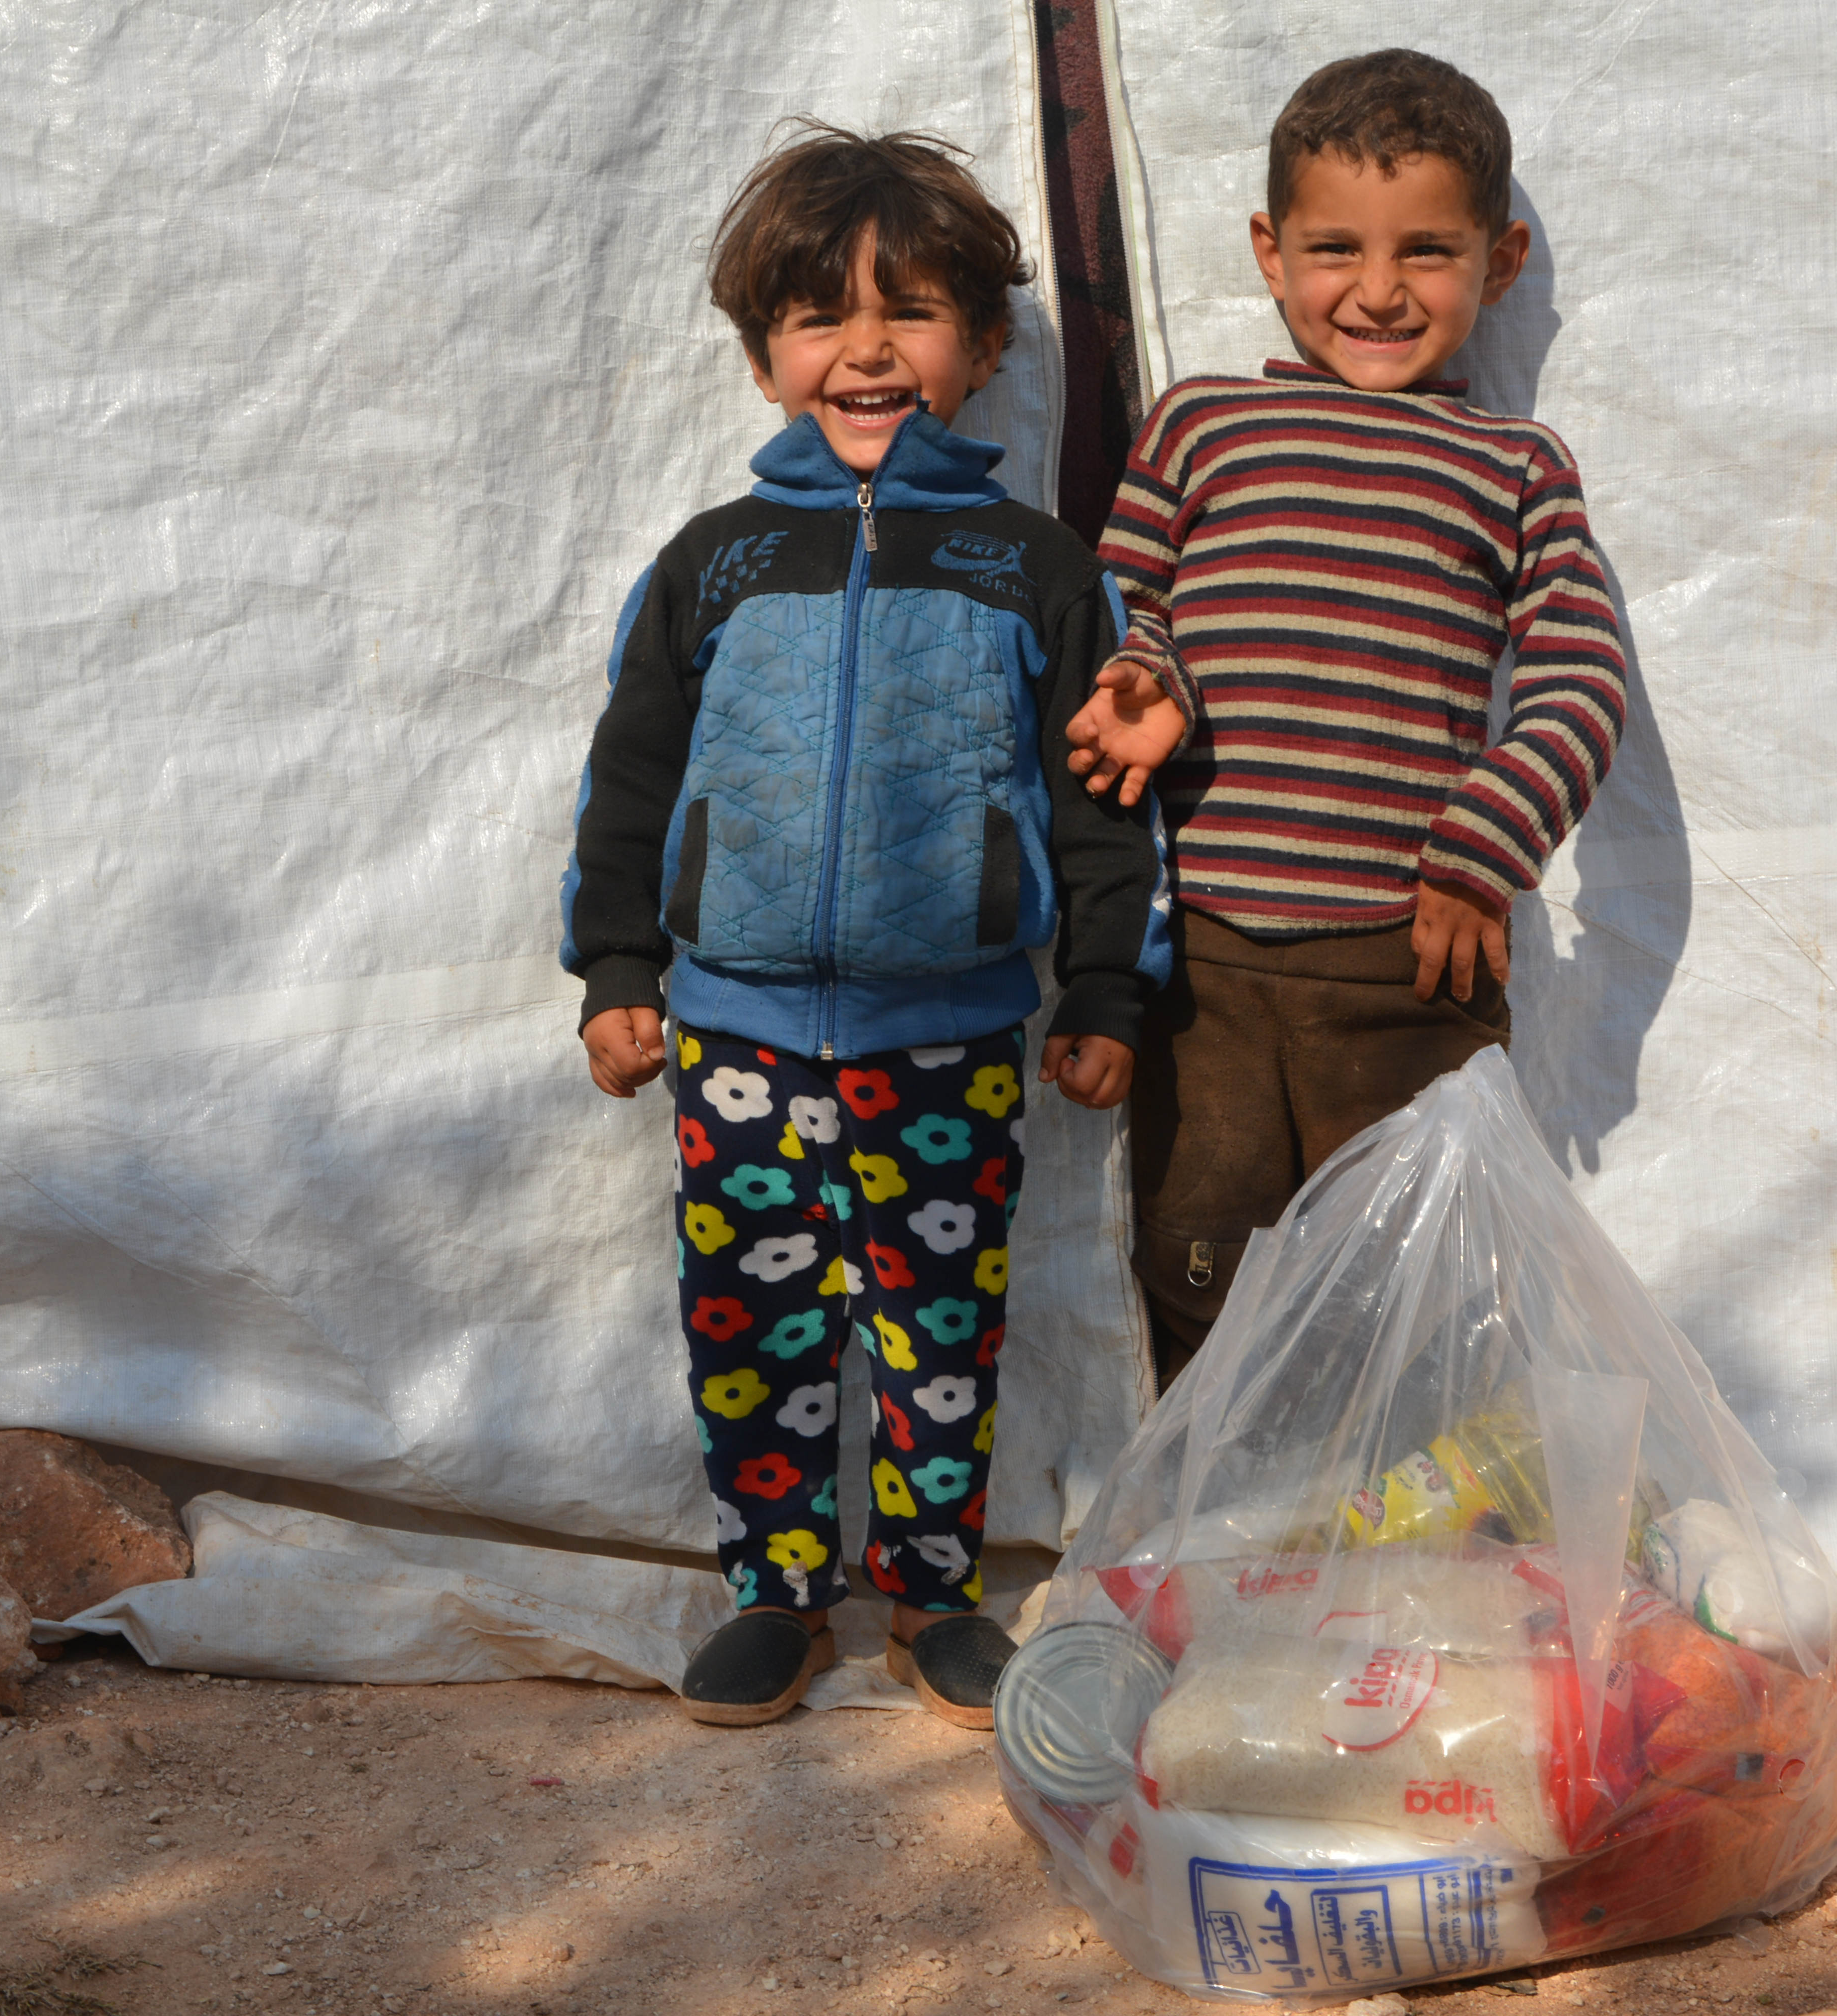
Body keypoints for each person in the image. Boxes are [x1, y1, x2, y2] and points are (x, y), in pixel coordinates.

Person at [561, 125, 1166, 1730]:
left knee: (936, 1327)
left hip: (953, 1032)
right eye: (822, 315)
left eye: (910, 311)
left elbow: (1101, 800)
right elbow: (630, 782)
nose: (868, 347)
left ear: (976, 347)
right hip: (738, 1028)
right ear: (767, 359)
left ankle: (929, 1596)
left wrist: (1106, 986)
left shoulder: (1036, 570)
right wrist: (620, 970)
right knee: (753, 1324)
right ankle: (773, 1593)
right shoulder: (715, 564)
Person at [1065, 50, 1630, 1383]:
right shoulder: (1204, 424)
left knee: (1418, 1266)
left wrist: (1486, 841)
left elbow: (1578, 673)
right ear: (1270, 250)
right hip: (1206, 956)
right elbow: (1120, 603)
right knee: (1197, 1254)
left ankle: (1405, 1529)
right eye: (1335, 247)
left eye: (1426, 252)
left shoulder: (1516, 466)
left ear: (1500, 263)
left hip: (1409, 959)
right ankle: (1236, 1509)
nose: (1377, 291)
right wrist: (1151, 684)